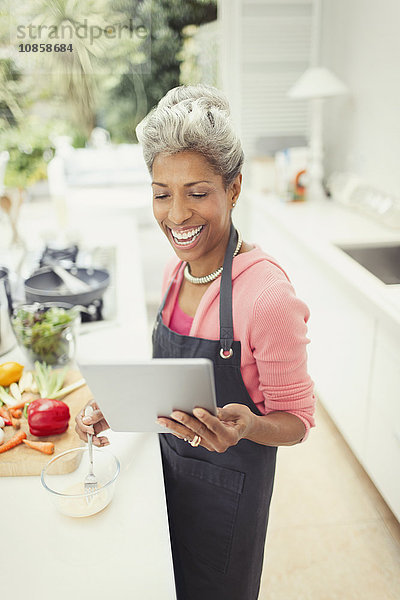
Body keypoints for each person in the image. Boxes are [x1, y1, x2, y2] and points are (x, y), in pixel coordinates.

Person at [75, 83, 316, 600]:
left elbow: (297, 422)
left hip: (227, 503)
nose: (177, 214)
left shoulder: (268, 296)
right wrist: (120, 407)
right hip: (164, 481)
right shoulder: (172, 273)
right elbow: (171, 390)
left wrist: (250, 425)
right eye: (162, 193)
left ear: (233, 189)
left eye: (198, 192)